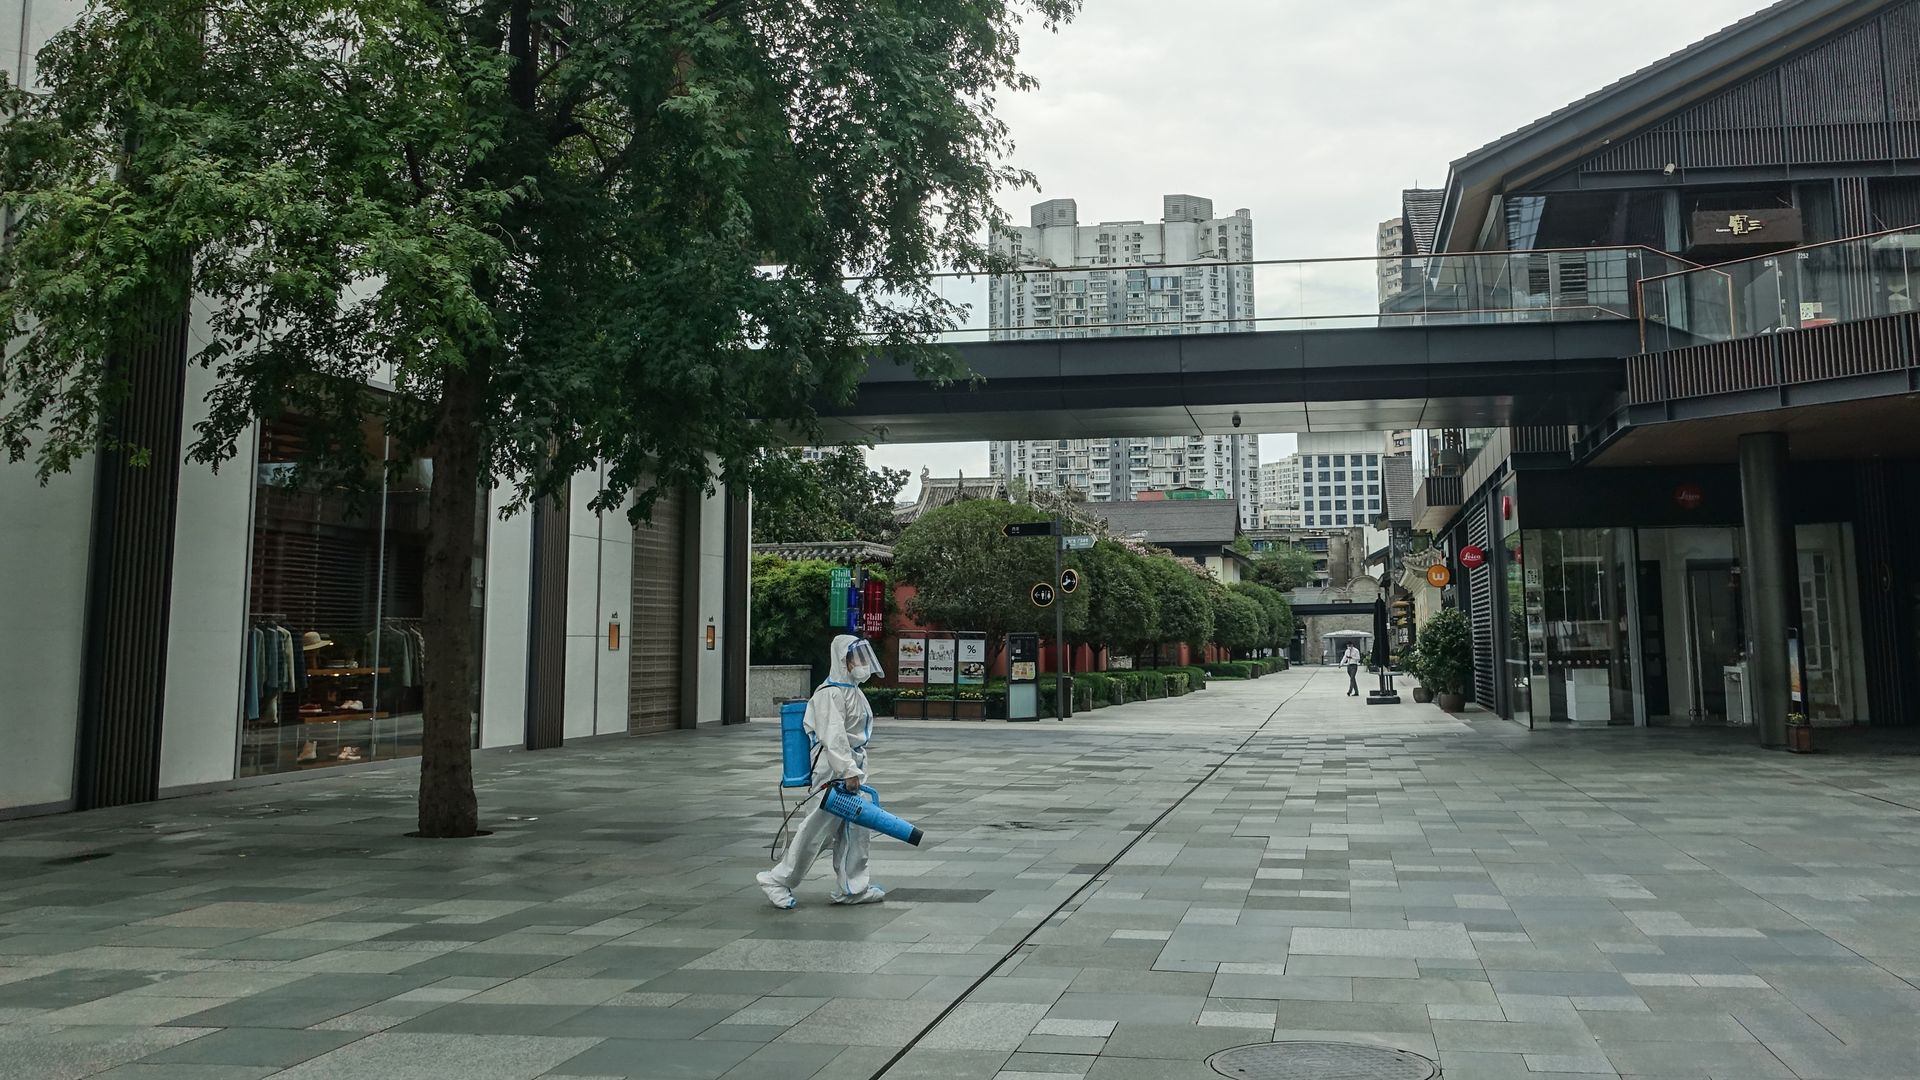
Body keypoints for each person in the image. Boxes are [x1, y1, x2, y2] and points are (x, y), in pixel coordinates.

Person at [757, 635, 889, 909]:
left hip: (850, 769)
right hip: (833, 773)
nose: (861, 663)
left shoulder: (852, 690)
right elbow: (834, 736)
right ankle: (777, 880)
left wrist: (854, 770)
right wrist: (848, 771)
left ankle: (853, 887)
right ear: (843, 660)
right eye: (856, 658)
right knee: (816, 832)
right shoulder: (830, 694)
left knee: (856, 830)